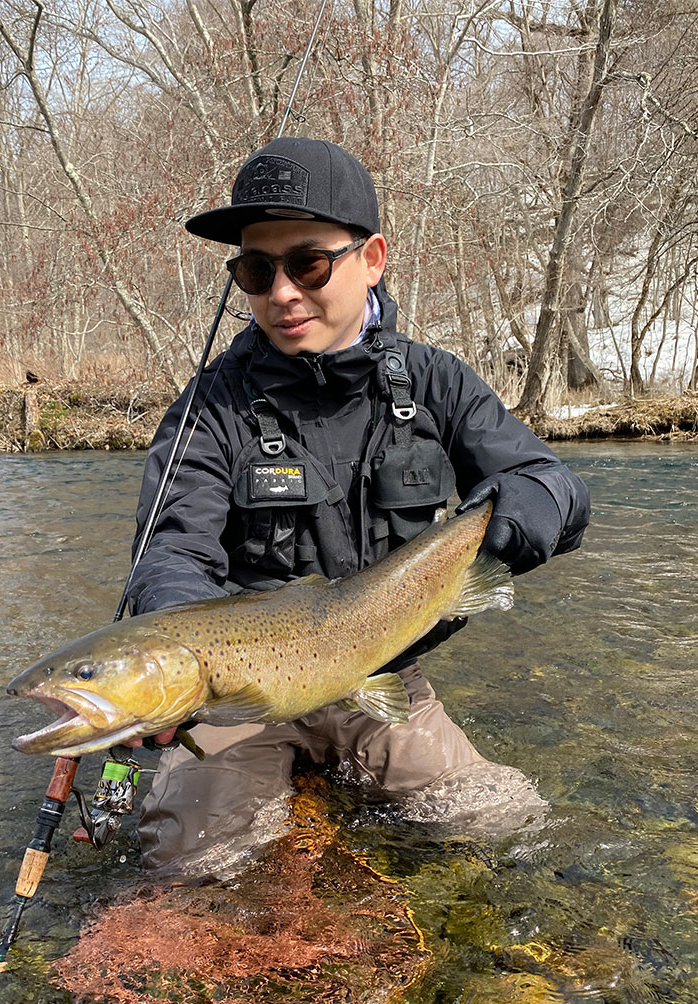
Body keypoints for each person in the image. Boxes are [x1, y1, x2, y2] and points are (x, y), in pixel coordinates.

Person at [128, 138, 590, 877]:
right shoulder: (208, 409)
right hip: (240, 696)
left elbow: (550, 482)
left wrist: (508, 527)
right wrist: (177, 670)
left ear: (371, 258)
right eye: (255, 269)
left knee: (504, 828)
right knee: (195, 865)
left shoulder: (436, 383)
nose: (280, 291)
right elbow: (170, 554)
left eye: (308, 263)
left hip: (384, 672)